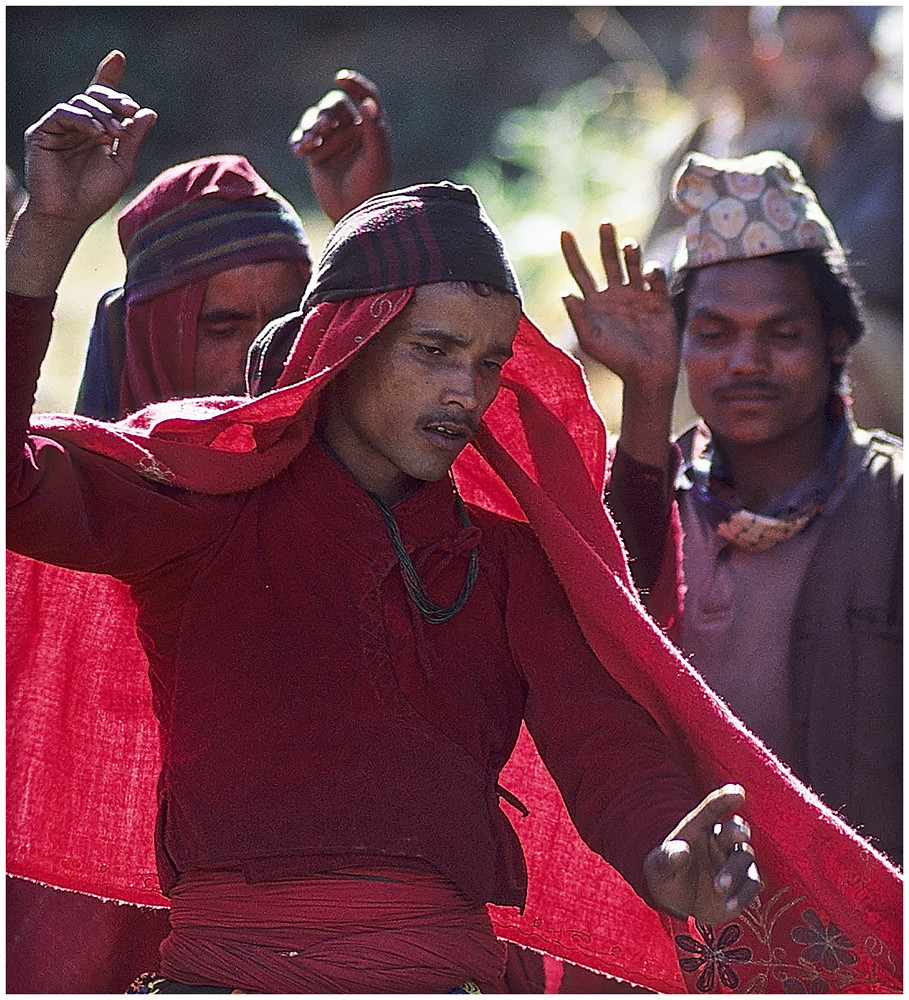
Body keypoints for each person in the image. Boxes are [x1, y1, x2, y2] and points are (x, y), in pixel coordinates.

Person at [8, 66, 902, 997]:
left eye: (485, 362)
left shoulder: (503, 560)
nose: (462, 391)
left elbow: (604, 745)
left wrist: (664, 853)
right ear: (344, 342)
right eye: (431, 352)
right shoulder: (202, 505)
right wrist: (46, 233)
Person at [6, 52, 391, 995]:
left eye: (287, 320)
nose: (261, 355)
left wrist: (361, 230)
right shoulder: (113, 501)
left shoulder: (348, 488)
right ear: (151, 336)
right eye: (223, 327)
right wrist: (48, 231)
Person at [561, 150, 902, 875]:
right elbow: (607, 634)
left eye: (781, 335)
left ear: (836, 342)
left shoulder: (894, 500)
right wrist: (646, 394)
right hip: (694, 946)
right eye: (713, 335)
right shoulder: (649, 494)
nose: (745, 362)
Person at [761, 5, 902, 435]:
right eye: (799, 51)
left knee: (835, 349)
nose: (814, 69)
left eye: (832, 51)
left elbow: (870, 270)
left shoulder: (899, 146)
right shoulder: (770, 153)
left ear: (872, 58)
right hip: (789, 330)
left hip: (885, 342)